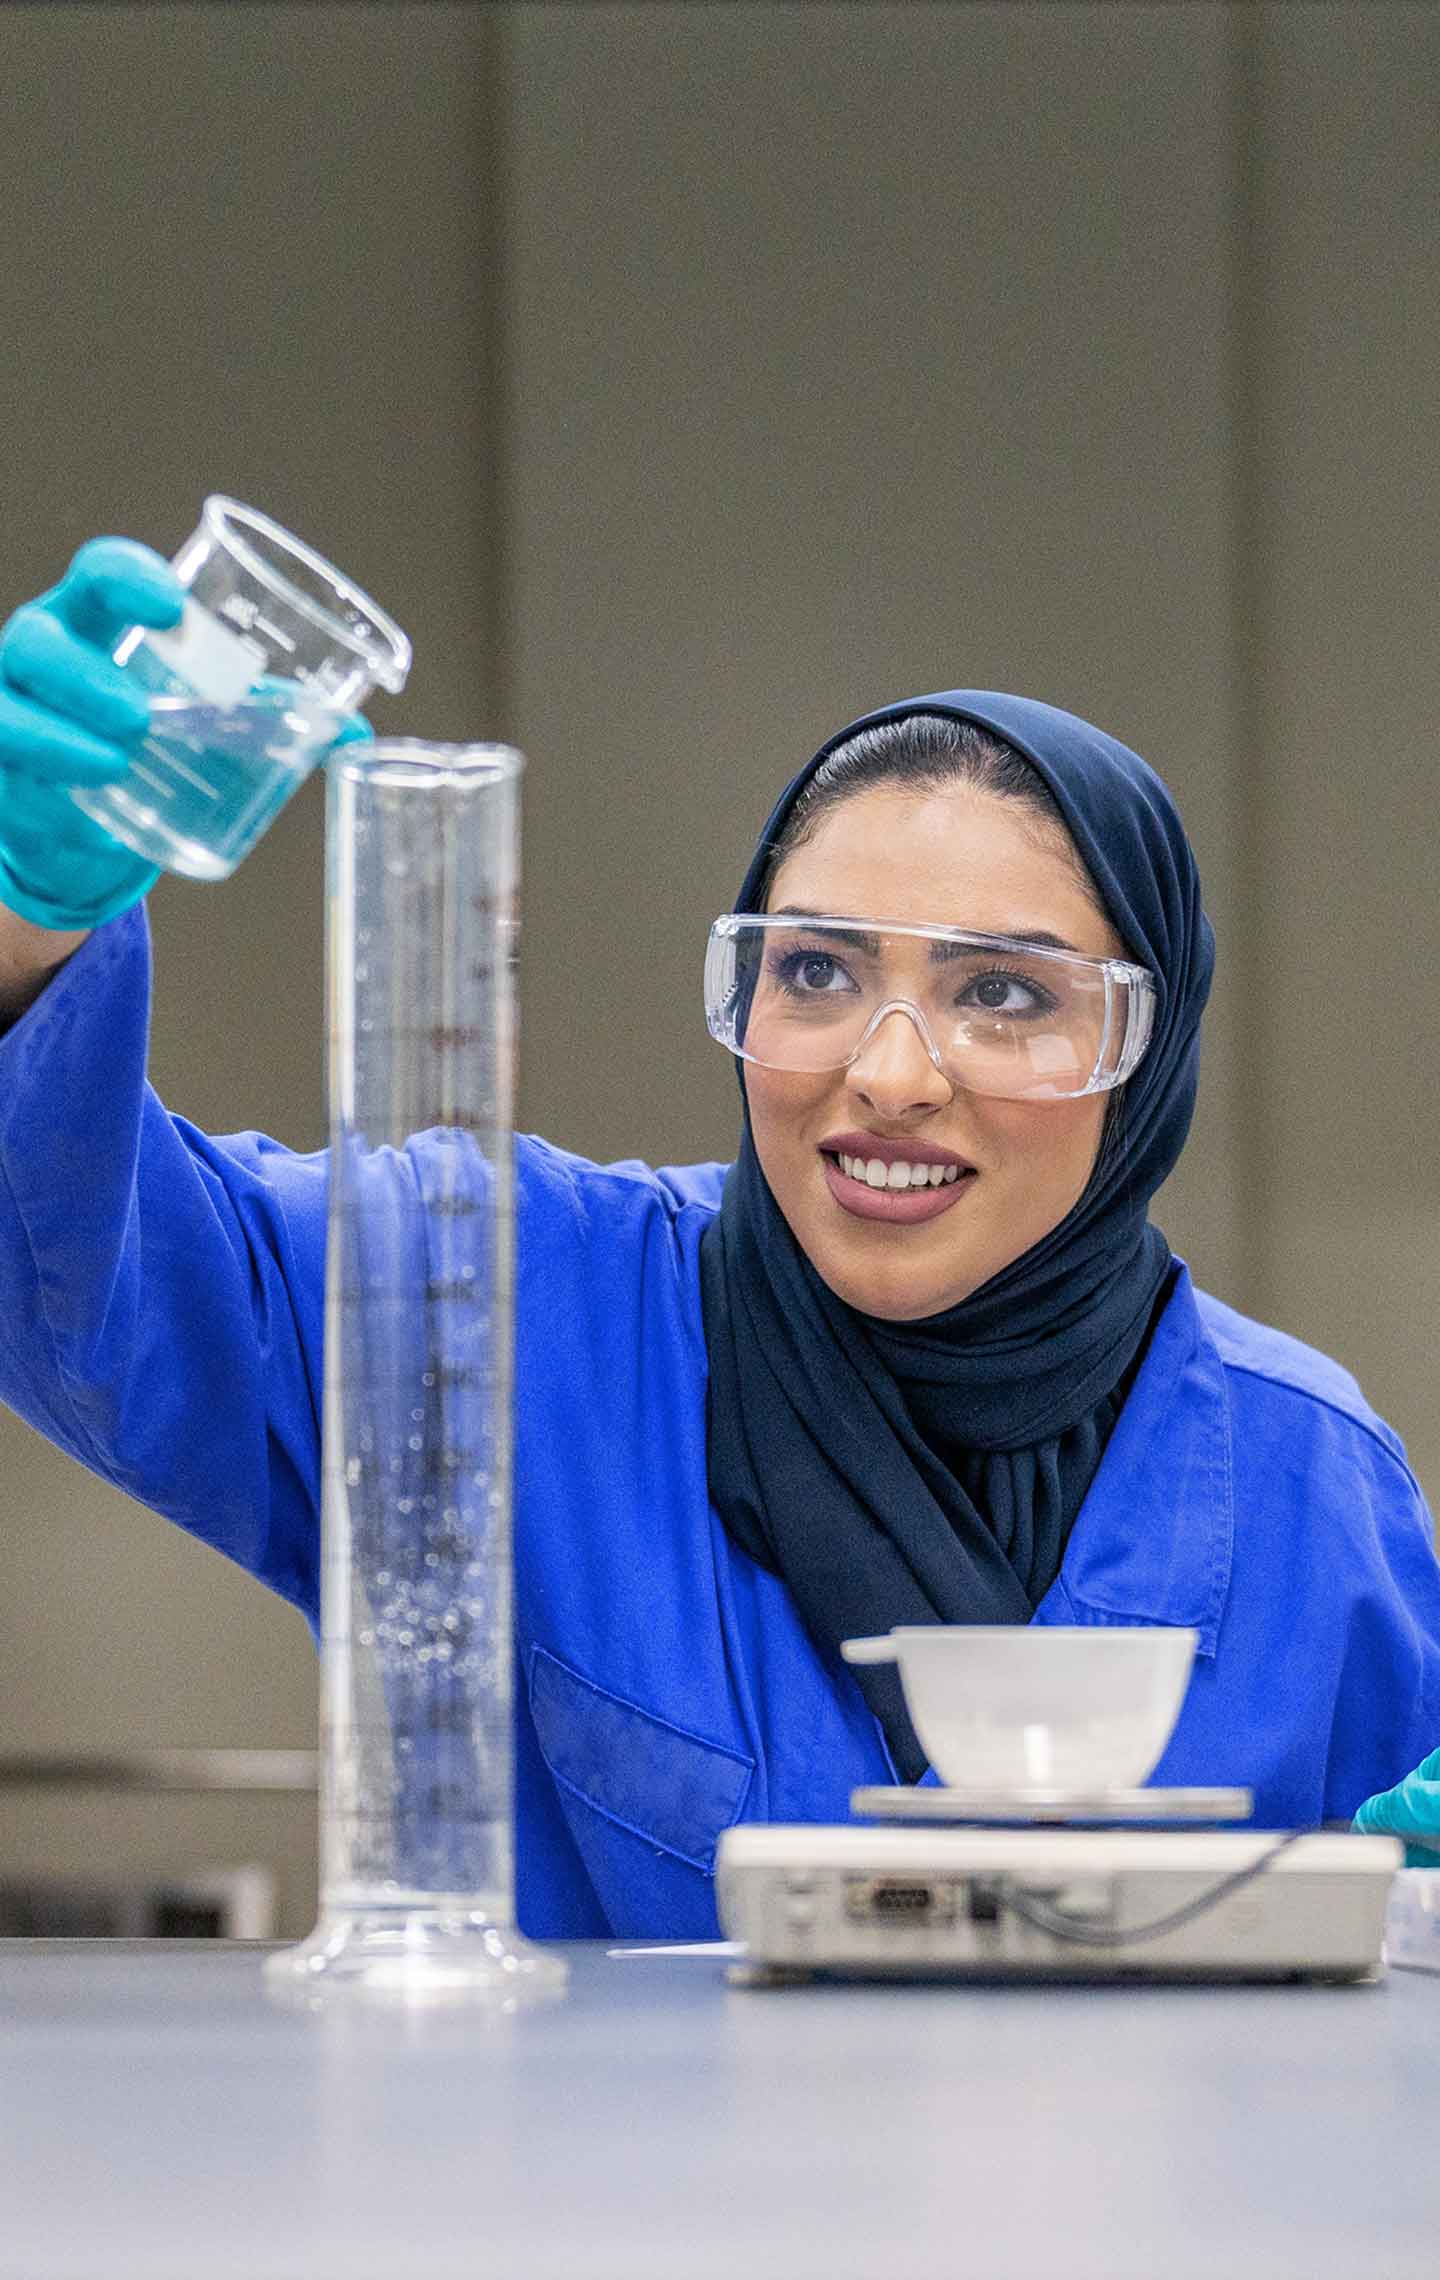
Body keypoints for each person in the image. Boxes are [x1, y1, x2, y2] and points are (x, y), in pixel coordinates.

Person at [1, 538, 1438, 1938]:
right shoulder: (503, 1308)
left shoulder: (1316, 1496)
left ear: (1147, 1054)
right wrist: (20, 917)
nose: (888, 1074)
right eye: (814, 970)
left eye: (1004, 994)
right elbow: (88, 1270)